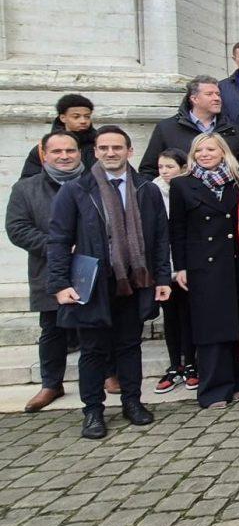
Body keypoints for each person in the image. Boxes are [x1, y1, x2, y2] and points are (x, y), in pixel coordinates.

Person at [46, 125, 171, 439]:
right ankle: (92, 411)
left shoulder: (147, 189)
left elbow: (159, 239)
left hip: (134, 281)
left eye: (117, 148)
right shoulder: (76, 190)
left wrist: (162, 277)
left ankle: (132, 401)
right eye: (104, 148)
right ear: (96, 152)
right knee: (92, 350)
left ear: (129, 152)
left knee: (130, 345)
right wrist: (60, 284)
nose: (111, 153)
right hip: (93, 284)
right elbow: (59, 240)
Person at [6, 131, 86, 412]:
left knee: (100, 324)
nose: (65, 156)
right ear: (44, 154)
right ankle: (51, 383)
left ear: (79, 153)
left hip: (92, 265)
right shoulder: (26, 189)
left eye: (70, 151)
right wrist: (59, 246)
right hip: (49, 267)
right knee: (52, 329)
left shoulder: (94, 183)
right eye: (57, 152)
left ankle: (108, 373)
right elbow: (17, 229)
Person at [168, 134, 239, 408]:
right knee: (211, 327)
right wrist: (180, 266)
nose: (204, 154)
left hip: (236, 262)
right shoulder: (182, 185)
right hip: (203, 265)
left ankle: (238, 380)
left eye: (210, 149)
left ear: (222, 151)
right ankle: (214, 388)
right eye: (199, 150)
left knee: (237, 323)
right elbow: (176, 230)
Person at [138, 76, 239, 176]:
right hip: (179, 195)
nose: (217, 98)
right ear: (194, 99)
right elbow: (148, 170)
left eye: (218, 94)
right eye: (209, 94)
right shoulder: (166, 128)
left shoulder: (233, 130)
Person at [152, 148, 196, 394]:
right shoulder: (150, 191)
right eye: (161, 167)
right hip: (163, 264)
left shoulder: (188, 188)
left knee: (188, 314)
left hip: (185, 262)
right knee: (169, 316)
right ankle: (174, 364)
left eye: (170, 166)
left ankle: (190, 363)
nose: (165, 172)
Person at [20, 94, 98, 179]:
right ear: (63, 118)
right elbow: (27, 183)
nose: (83, 121)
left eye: (87, 117)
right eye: (76, 117)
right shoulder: (43, 148)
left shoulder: (101, 145)